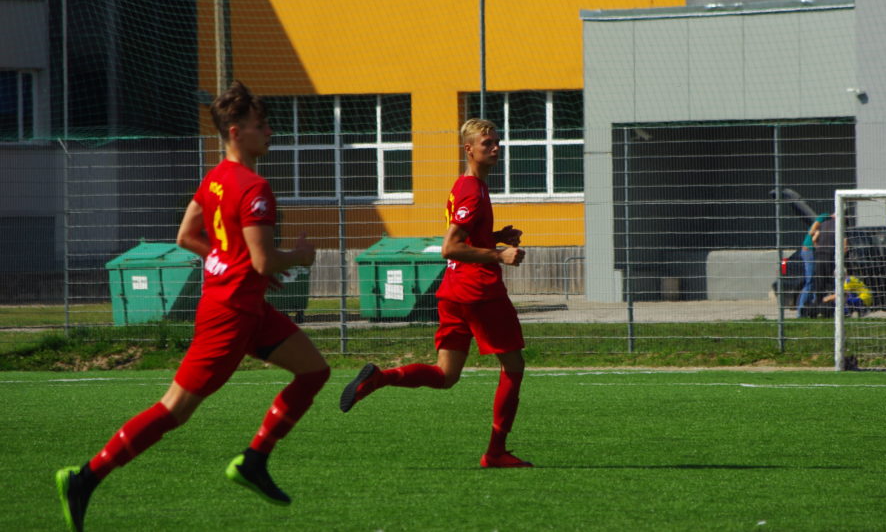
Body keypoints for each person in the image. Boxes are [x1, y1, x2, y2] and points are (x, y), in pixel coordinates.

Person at [55, 81, 330, 532]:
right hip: (229, 314)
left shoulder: (215, 177)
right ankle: (84, 478)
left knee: (314, 370)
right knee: (174, 409)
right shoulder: (255, 187)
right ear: (236, 132)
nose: (270, 132)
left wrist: (235, 261)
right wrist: (299, 256)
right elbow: (263, 260)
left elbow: (187, 236)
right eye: (261, 126)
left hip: (246, 307)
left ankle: (254, 460)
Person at [339, 118, 532, 468]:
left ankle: (380, 378)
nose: (496, 148)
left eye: (497, 142)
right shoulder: (472, 190)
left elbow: (465, 238)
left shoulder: (466, 185)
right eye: (487, 143)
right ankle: (495, 452)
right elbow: (450, 247)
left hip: (452, 292)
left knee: (445, 375)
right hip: (479, 292)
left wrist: (495, 237)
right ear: (468, 149)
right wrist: (498, 254)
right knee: (513, 367)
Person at [796, 211, 832, 318]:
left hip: (817, 252)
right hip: (810, 251)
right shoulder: (825, 217)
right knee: (810, 280)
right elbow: (812, 231)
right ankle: (801, 312)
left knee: (818, 281)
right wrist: (817, 241)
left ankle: (816, 309)